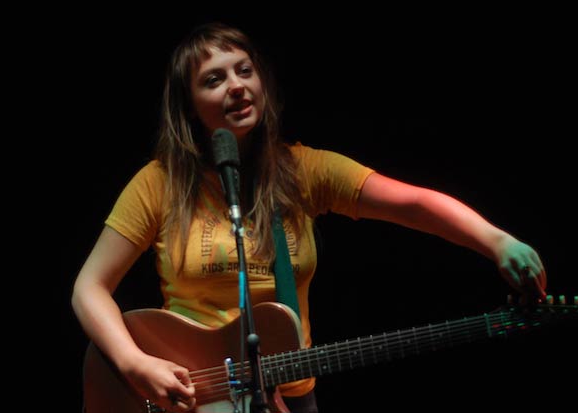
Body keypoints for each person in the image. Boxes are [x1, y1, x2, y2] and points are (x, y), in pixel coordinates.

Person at [71, 22, 547, 413]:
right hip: (186, 393)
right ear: (189, 108)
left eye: (244, 70)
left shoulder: (304, 171)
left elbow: (414, 203)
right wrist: (135, 364)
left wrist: (497, 241)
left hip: (289, 396)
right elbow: (89, 287)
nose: (237, 85)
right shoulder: (159, 182)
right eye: (214, 79)